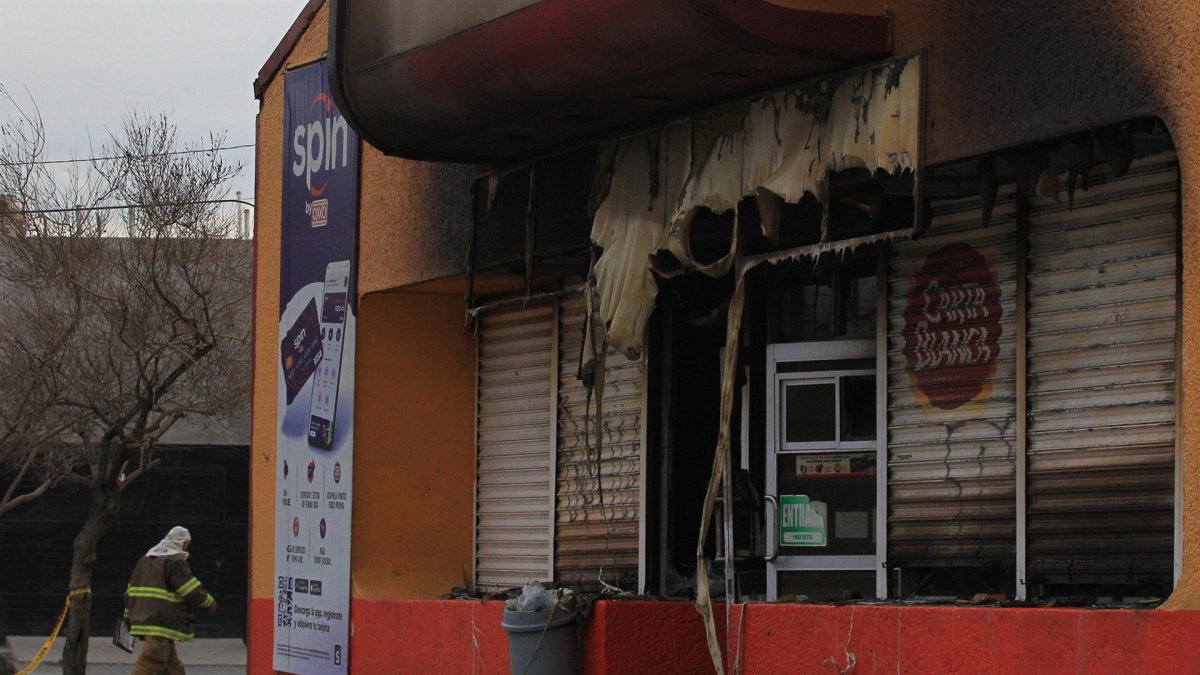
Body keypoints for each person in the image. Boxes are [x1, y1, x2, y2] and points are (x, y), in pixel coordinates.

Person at [124, 526, 217, 675]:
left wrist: (128, 617)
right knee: (150, 661)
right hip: (161, 623)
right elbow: (189, 589)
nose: (187, 547)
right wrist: (208, 602)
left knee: (172, 667)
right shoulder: (175, 561)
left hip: (145, 618)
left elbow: (130, 591)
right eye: (187, 543)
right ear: (183, 542)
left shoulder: (146, 559)